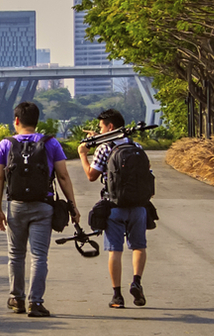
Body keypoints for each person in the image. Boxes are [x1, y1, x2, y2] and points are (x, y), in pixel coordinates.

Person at [0, 101, 80, 318]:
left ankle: (17, 299)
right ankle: (36, 303)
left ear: (16, 120)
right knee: (39, 256)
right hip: (43, 206)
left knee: (16, 254)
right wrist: (72, 206)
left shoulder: (5, 144)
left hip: (16, 206)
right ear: (37, 121)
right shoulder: (51, 143)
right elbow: (62, 176)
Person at [80, 109, 149, 309]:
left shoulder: (104, 148)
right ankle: (136, 281)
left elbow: (91, 175)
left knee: (115, 251)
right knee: (139, 246)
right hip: (138, 207)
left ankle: (117, 296)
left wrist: (83, 155)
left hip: (114, 207)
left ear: (110, 127)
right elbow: (148, 175)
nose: (99, 130)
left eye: (101, 127)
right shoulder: (136, 146)